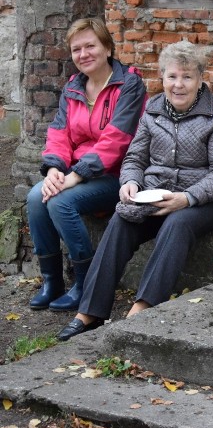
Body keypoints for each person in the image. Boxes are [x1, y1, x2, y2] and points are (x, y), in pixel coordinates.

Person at [57, 40, 213, 341]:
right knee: (121, 220)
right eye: (172, 77)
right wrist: (130, 182)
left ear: (200, 79)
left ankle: (143, 307)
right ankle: (89, 311)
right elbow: (135, 158)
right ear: (162, 78)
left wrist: (187, 198)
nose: (178, 85)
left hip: (205, 200)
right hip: (156, 193)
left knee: (177, 223)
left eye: (187, 77)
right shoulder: (153, 109)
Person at [27, 17, 147, 312]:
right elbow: (59, 134)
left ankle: (86, 284)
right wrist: (55, 168)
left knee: (59, 203)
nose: (83, 54)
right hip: (79, 173)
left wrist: (75, 177)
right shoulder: (73, 86)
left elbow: (117, 141)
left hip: (119, 174)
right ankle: (52, 281)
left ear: (107, 47)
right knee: (35, 198)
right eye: (76, 49)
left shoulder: (129, 84)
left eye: (90, 46)